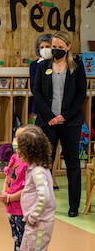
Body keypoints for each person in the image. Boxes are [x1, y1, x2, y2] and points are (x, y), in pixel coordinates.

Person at [33, 31, 87, 217]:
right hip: (47, 122)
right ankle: (44, 203)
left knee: (73, 162)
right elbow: (37, 92)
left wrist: (64, 115)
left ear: (68, 47)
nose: (55, 50)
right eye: (53, 47)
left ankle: (74, 206)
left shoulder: (77, 67)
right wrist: (50, 116)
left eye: (59, 48)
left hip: (70, 122)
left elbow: (81, 94)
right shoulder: (43, 66)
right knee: (44, 163)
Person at [16, 124, 56, 251]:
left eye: (20, 148)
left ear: (29, 151)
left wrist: (33, 216)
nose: (17, 152)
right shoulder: (33, 169)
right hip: (32, 222)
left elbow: (44, 196)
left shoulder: (38, 172)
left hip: (39, 223)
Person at [0, 126, 29, 251]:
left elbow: (27, 189)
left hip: (21, 209)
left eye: (19, 139)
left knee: (24, 242)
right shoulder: (14, 159)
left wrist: (10, 198)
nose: (15, 142)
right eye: (15, 137)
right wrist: (4, 194)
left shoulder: (29, 165)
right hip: (11, 209)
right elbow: (8, 177)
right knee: (17, 239)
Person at [29, 34, 60, 191]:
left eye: (47, 46)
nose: (45, 50)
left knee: (54, 147)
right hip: (41, 110)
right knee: (41, 146)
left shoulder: (59, 64)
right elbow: (35, 88)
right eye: (41, 48)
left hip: (58, 111)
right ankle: (40, 180)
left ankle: (52, 178)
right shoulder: (35, 65)